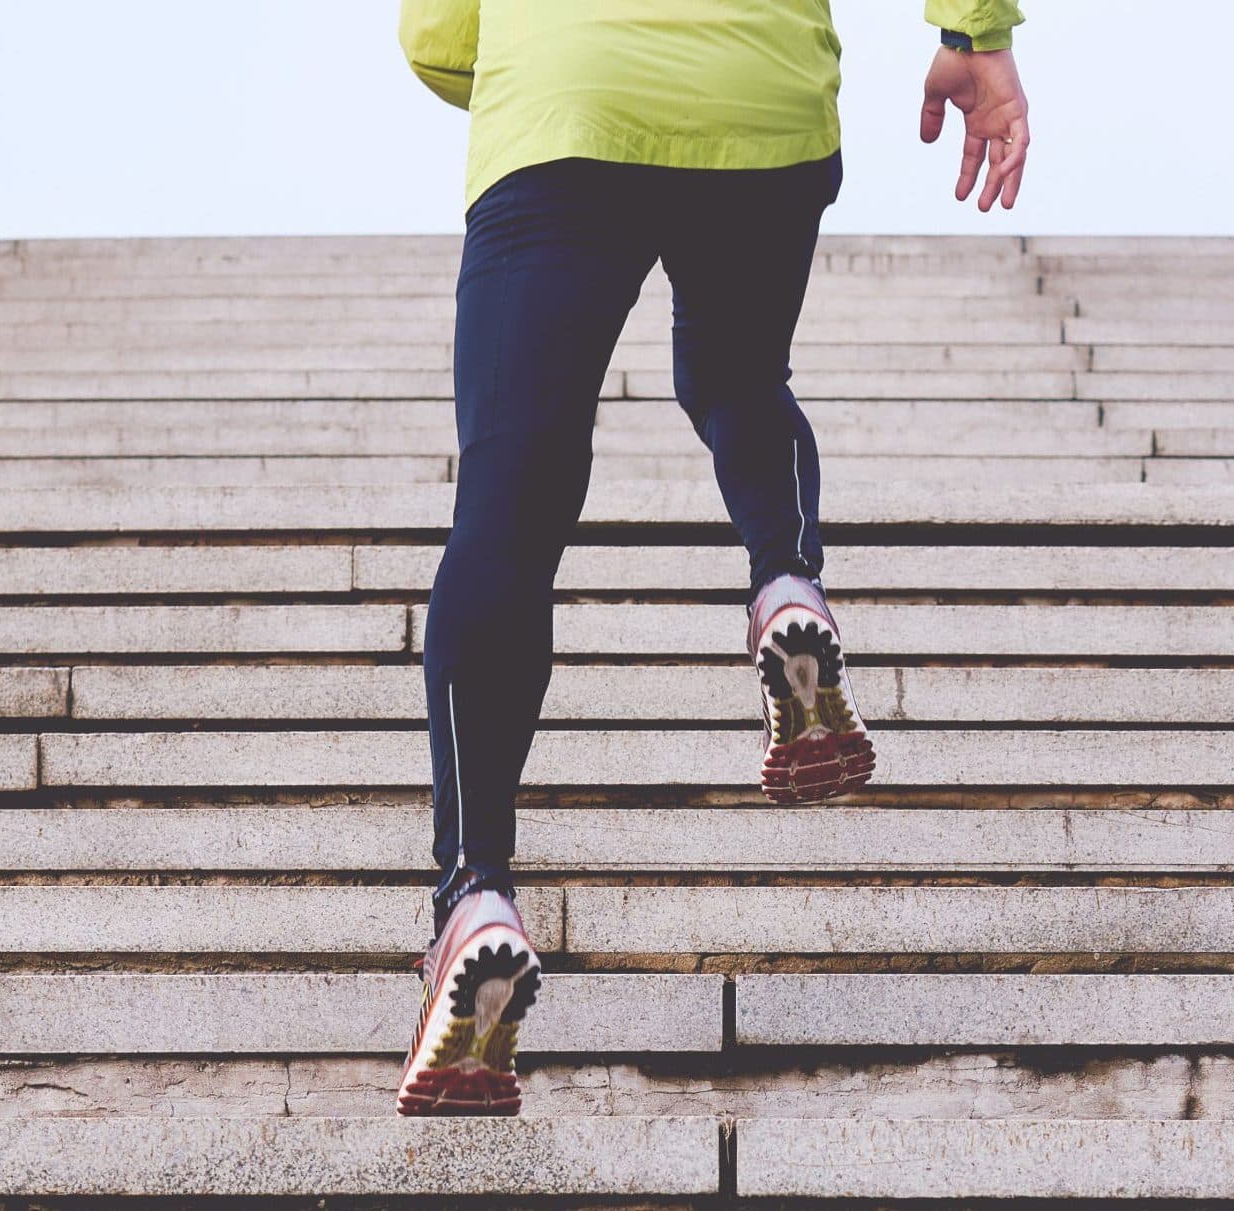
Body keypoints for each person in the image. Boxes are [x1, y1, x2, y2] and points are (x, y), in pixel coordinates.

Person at [393, 0, 1030, 1117]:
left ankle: (474, 891)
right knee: (738, 375)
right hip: (761, 106)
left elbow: (436, 37)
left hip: (563, 104)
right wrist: (974, 36)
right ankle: (785, 578)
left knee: (510, 497)